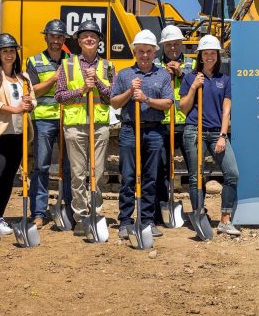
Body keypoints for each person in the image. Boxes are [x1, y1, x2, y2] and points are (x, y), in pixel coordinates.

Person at [110, 30, 173, 240]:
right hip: (130, 129)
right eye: (140, 52)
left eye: (148, 51)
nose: (144, 55)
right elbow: (114, 102)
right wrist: (130, 92)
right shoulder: (124, 74)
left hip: (154, 130)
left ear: (155, 52)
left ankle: (147, 220)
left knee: (150, 178)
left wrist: (145, 99)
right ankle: (125, 221)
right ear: (134, 52)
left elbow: (168, 104)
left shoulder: (163, 75)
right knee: (128, 176)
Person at [54, 19, 113, 238]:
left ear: (99, 41)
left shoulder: (107, 66)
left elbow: (111, 98)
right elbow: (59, 96)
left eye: (93, 36)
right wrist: (81, 90)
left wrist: (96, 82)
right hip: (75, 127)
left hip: (99, 126)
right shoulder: (67, 65)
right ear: (78, 41)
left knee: (97, 173)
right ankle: (80, 216)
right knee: (78, 175)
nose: (89, 39)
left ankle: (95, 214)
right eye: (85, 36)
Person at [178, 34, 240, 236]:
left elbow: (226, 111)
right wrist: (195, 86)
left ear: (218, 55)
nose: (210, 57)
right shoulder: (190, 78)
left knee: (232, 173)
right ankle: (198, 214)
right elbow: (184, 108)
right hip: (194, 131)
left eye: (213, 53)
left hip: (216, 133)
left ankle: (225, 219)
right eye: (206, 53)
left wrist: (223, 135)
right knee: (196, 177)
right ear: (201, 56)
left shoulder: (225, 80)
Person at [0, 33, 36, 241]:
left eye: (12, 50)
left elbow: (32, 101)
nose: (9, 54)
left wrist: (29, 104)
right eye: (5, 51)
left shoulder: (24, 77)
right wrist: (14, 108)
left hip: (18, 134)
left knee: (9, 177)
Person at [25, 18, 71, 229]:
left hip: (67, 118)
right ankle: (38, 212)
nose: (56, 40)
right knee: (42, 166)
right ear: (46, 37)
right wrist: (54, 79)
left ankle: (68, 208)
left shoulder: (72, 60)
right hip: (43, 118)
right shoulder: (34, 61)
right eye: (53, 36)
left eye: (60, 36)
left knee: (69, 166)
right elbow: (32, 90)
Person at [155, 24, 194, 226]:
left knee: (194, 168)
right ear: (163, 45)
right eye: (169, 44)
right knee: (160, 168)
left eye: (176, 44)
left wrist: (180, 75)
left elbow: (198, 84)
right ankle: (162, 207)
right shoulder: (154, 64)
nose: (173, 48)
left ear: (181, 44)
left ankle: (198, 208)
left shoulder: (191, 64)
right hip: (163, 124)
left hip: (186, 123)